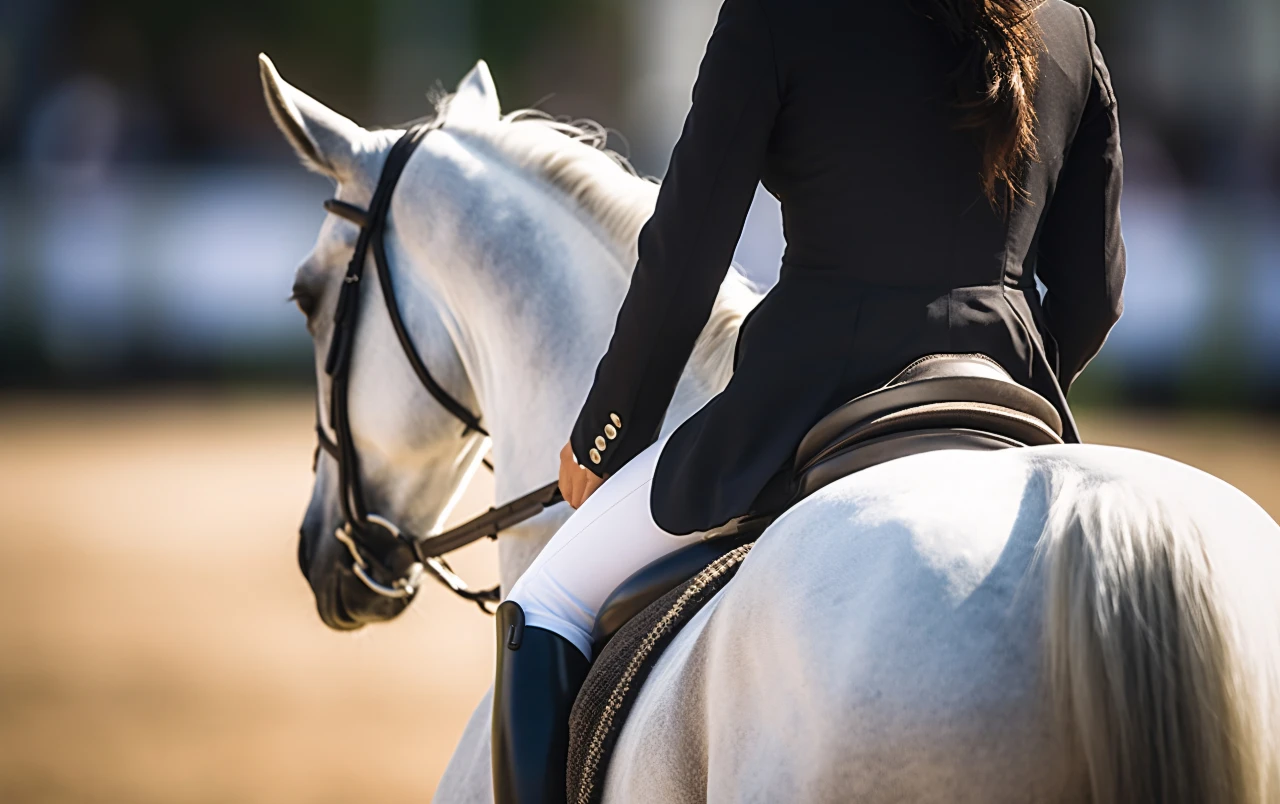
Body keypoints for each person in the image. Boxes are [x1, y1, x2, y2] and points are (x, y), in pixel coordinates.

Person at [491, 0, 1125, 799]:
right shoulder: (1066, 28)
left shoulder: (778, 13)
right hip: (1009, 398)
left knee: (548, 595)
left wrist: (605, 439)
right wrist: (1008, 377)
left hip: (810, 393)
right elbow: (1095, 295)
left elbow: (685, 256)